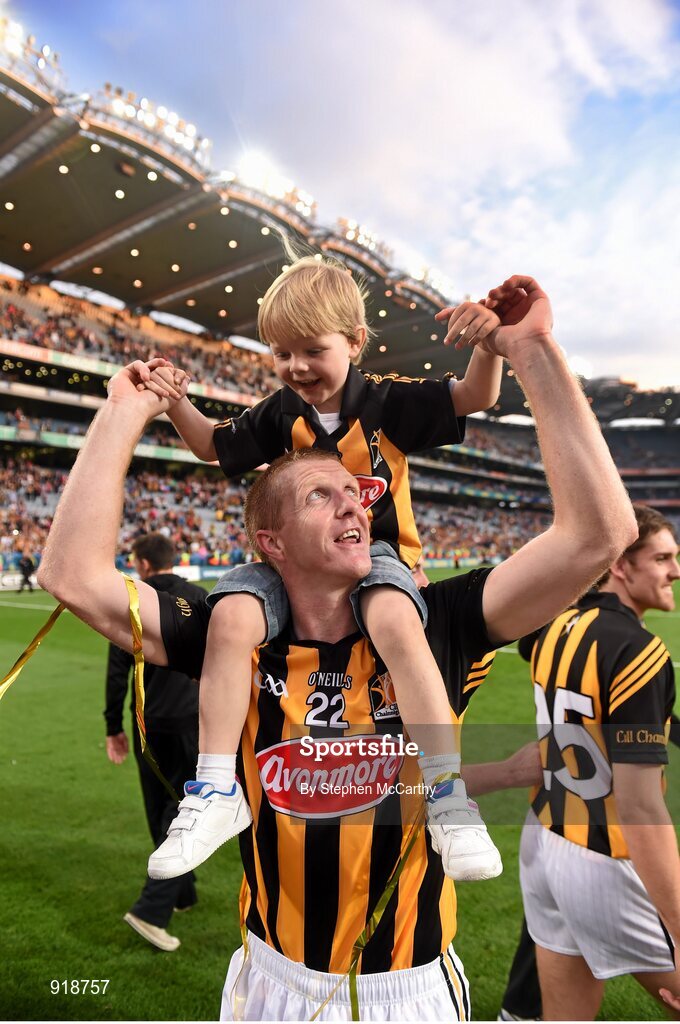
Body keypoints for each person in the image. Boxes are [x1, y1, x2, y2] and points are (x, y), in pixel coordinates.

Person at [36, 275, 637, 1020]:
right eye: (322, 492)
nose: (357, 497)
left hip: (409, 986)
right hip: (268, 980)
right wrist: (124, 413)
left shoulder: (433, 623)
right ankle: (214, 791)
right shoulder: (236, 624)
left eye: (359, 492)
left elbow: (599, 536)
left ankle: (446, 796)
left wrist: (532, 351)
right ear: (270, 542)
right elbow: (68, 574)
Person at [138, 253, 507, 885]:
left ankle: (446, 790)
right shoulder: (278, 412)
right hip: (287, 563)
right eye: (280, 353)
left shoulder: (388, 402)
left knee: (394, 617)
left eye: (311, 349)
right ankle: (215, 789)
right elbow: (211, 445)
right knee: (229, 617)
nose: (295, 367)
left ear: (356, 342)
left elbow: (479, 394)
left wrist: (491, 341)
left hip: (375, 557)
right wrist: (174, 402)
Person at [518, 504, 680, 1021]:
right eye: (661, 558)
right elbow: (642, 808)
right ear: (620, 565)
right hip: (602, 856)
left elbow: (595, 710)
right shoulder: (640, 651)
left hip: (544, 838)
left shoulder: (556, 626)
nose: (675, 570)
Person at [104, 532, 204, 952]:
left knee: (159, 807)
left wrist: (113, 727)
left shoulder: (132, 601)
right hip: (190, 724)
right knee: (183, 813)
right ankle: (152, 909)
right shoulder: (199, 598)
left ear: (143, 564)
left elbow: (115, 673)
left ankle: (182, 893)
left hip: (148, 725)